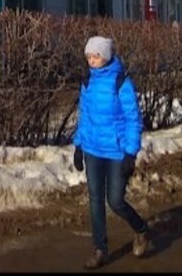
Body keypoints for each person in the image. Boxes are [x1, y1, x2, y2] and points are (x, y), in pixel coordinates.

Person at [72, 35, 150, 269]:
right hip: (92, 149)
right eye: (89, 56)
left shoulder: (121, 82)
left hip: (116, 152)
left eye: (95, 56)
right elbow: (84, 116)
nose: (91, 61)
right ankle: (100, 250)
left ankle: (141, 228)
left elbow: (133, 120)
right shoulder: (87, 82)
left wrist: (130, 153)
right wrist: (78, 146)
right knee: (95, 200)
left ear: (105, 56)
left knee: (115, 201)